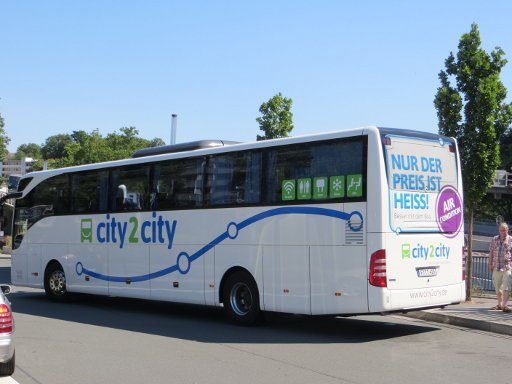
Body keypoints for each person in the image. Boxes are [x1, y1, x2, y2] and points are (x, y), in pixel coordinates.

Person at [488, 222, 512, 312]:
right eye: (502, 230)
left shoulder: (510, 239)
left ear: (507, 230)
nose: (503, 232)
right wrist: (490, 264)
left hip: (507, 267)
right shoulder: (494, 239)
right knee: (497, 287)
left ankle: (505, 306)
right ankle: (499, 304)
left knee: (506, 287)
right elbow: (491, 253)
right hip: (496, 267)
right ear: (499, 231)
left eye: (505, 230)